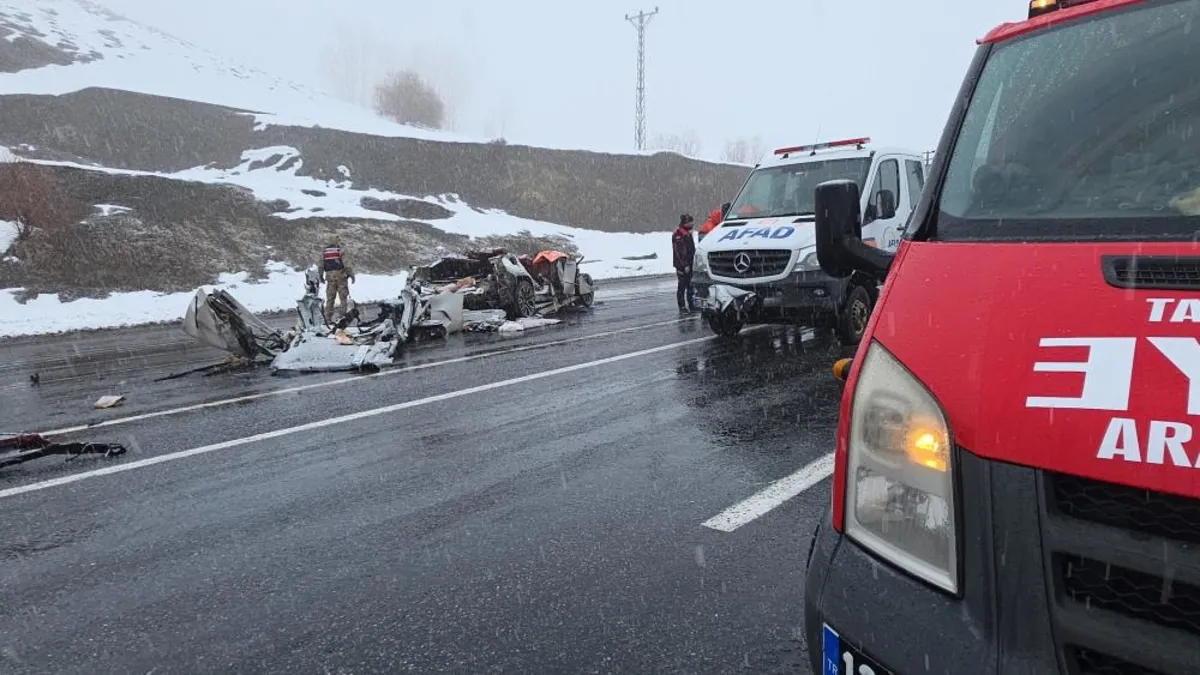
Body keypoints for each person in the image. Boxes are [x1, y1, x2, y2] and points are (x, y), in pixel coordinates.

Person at [319, 233, 355, 323]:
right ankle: (342, 317)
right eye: (338, 239)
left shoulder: (324, 251)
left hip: (330, 278)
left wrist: (320, 276)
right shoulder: (340, 250)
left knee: (330, 298)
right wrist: (351, 275)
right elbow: (347, 264)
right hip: (341, 277)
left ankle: (327, 318)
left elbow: (321, 265)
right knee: (343, 297)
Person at [672, 214, 696, 312]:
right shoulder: (679, 235)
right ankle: (682, 306)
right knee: (682, 285)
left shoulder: (687, 233)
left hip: (689, 264)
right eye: (690, 222)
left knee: (690, 285)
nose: (692, 224)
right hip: (682, 265)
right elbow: (679, 252)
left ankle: (691, 304)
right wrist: (684, 264)